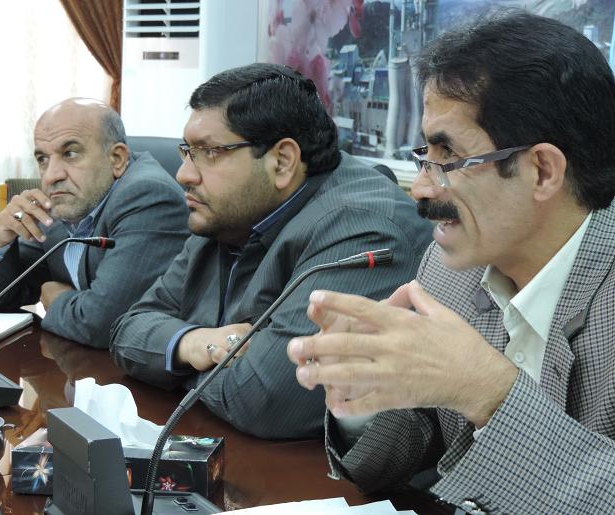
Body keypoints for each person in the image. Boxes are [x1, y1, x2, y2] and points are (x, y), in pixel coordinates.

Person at [286, 12, 615, 514]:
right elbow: (405, 446)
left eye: (448, 157)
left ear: (542, 170)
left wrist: (487, 390)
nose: (422, 188)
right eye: (425, 155)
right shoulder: (453, 266)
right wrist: (361, 399)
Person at [110, 63, 433, 439]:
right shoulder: (225, 215)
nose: (184, 174)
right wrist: (198, 343)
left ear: (282, 162)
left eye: (208, 152)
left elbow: (262, 398)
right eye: (187, 151)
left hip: (324, 470)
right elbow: (126, 330)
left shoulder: (363, 230)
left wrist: (171, 360)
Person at [0, 98, 190, 348]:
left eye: (70, 153)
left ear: (117, 159)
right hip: (77, 361)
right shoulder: (64, 201)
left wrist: (56, 300)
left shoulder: (148, 196)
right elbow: (1, 300)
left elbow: (101, 325)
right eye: (42, 159)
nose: (51, 176)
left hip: (144, 368)